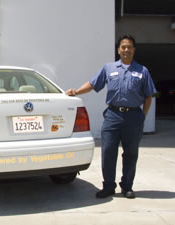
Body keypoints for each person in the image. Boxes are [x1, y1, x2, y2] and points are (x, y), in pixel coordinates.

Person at [66, 35, 156, 199]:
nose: (126, 50)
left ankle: (127, 186)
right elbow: (93, 84)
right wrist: (76, 91)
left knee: (131, 153)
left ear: (134, 50)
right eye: (123, 47)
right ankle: (108, 186)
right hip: (112, 115)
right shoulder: (109, 68)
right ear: (118, 50)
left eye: (129, 47)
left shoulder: (142, 71)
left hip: (134, 117)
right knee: (108, 151)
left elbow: (149, 96)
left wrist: (142, 117)